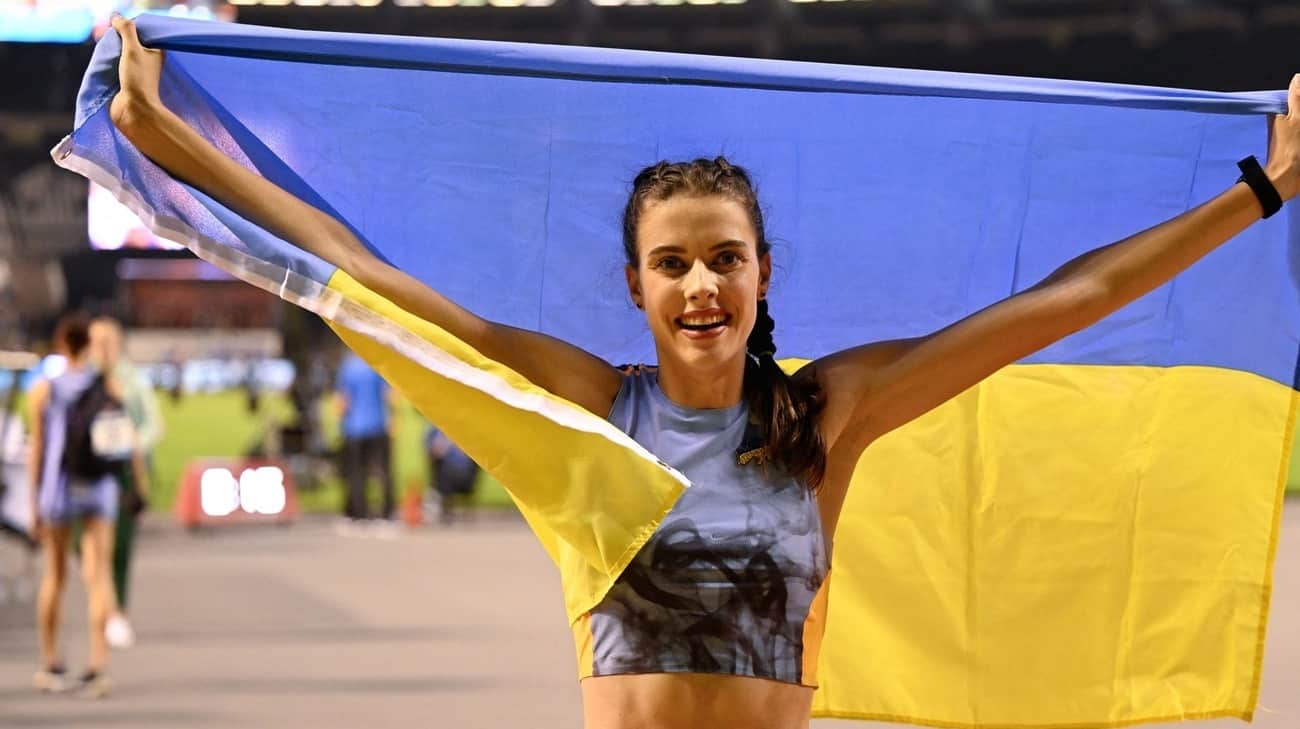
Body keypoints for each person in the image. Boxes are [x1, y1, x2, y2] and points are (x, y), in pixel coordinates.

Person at [106, 16, 1300, 729]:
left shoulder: (830, 413)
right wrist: (176, 150)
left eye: (724, 259)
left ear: (762, 274)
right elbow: (363, 271)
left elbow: (1064, 303)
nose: (700, 287)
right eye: (671, 264)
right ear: (634, 286)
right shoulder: (590, 406)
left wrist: (1262, 189)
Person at [27, 313, 138, 698]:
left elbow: (38, 449)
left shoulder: (44, 389)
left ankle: (51, 662)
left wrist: (34, 501)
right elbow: (123, 441)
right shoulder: (107, 384)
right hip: (99, 486)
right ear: (88, 345)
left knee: (55, 576)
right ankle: (97, 666)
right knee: (99, 576)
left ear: (61, 345)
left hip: (59, 487)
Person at [89, 316, 163, 650]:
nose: (102, 349)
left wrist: (129, 443)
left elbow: (152, 425)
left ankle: (116, 612)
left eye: (108, 342)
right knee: (91, 550)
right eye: (97, 342)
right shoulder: (82, 378)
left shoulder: (132, 381)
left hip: (123, 473)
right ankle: (106, 611)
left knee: (119, 548)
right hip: (89, 472)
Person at [334, 351, 395, 527]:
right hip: (378, 424)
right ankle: (386, 513)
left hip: (354, 427)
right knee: (383, 472)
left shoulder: (347, 367)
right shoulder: (375, 362)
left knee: (356, 473)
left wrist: (341, 422)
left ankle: (359, 514)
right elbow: (387, 394)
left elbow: (343, 400)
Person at [425, 425, 480, 525]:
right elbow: (433, 452)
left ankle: (446, 510)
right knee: (444, 472)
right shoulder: (437, 430)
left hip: (466, 476)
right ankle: (444, 511)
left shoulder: (467, 432)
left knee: (457, 472)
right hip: (446, 474)